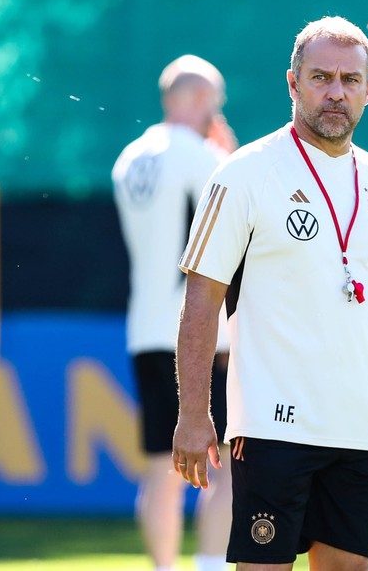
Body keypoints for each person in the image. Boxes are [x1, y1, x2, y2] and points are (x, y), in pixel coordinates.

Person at [172, 16, 368, 570]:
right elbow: (202, 298)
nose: (335, 92)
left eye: (349, 79)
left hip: (361, 433)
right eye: (320, 77)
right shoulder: (243, 174)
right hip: (272, 427)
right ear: (292, 83)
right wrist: (194, 414)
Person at [112, 54, 236, 571]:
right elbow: (234, 226)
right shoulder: (199, 155)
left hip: (145, 330)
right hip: (202, 332)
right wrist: (226, 154)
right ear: (203, 101)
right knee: (228, 464)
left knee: (162, 468)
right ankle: (208, 565)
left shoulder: (129, 158)